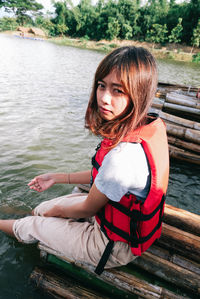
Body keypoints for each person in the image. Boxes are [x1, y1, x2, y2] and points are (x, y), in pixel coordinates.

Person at [0, 46, 169, 275]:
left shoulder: (124, 157)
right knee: (42, 209)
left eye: (118, 90)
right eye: (102, 86)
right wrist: (57, 178)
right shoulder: (147, 124)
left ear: (139, 93)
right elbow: (103, 176)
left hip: (112, 245)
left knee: (33, 224)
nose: (104, 98)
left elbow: (88, 206)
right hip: (109, 214)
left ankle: (13, 224)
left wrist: (53, 214)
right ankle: (19, 216)